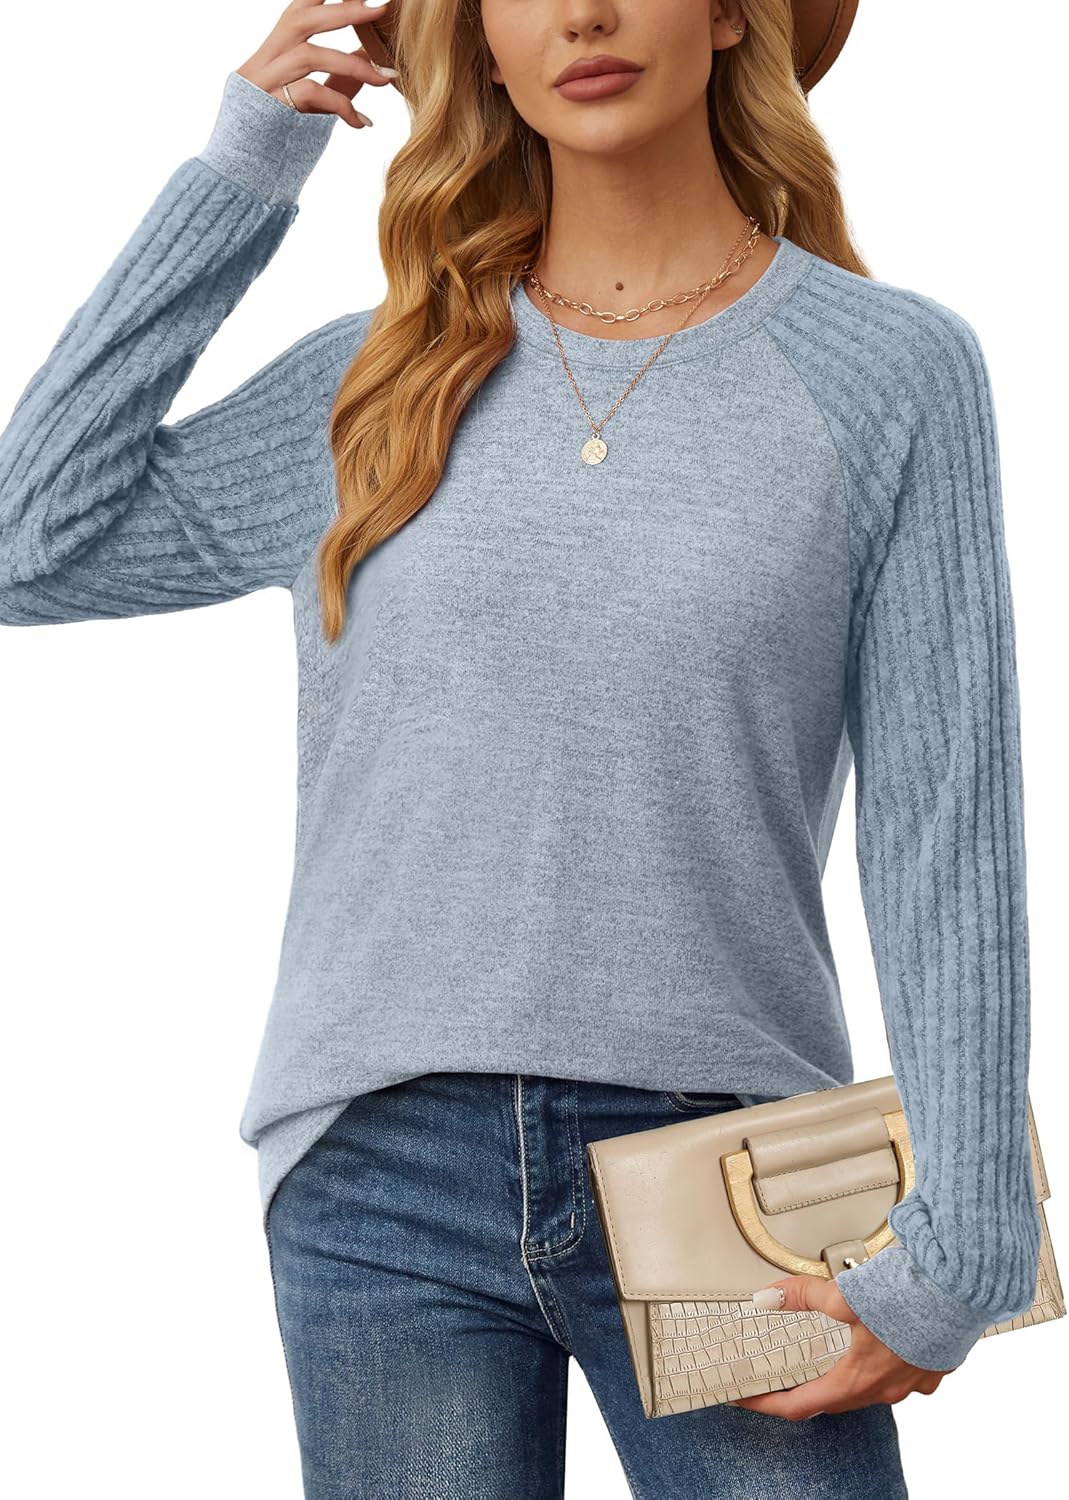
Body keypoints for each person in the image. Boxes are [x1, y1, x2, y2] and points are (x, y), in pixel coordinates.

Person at [0, 1, 1044, 1495]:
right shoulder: (374, 382)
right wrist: (248, 160)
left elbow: (944, 821)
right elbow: (25, 542)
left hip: (726, 1177)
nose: (585, 14)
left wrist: (969, 1241)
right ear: (478, 39)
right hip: (381, 1175)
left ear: (730, 10)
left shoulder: (886, 373)